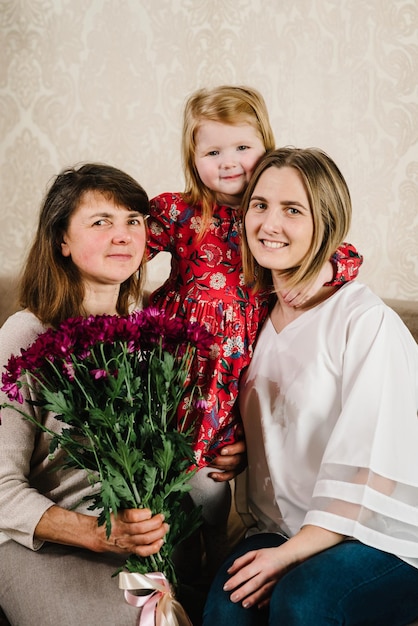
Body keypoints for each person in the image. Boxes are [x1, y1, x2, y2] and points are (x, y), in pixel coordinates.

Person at [146, 86, 363, 572]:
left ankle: (212, 572)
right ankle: (171, 582)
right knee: (170, 503)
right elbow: (124, 243)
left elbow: (342, 252)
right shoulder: (182, 213)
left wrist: (327, 273)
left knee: (215, 499)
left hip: (233, 382)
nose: (230, 163)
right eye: (213, 151)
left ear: (266, 145)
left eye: (243, 147)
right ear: (192, 157)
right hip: (178, 364)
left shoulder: (268, 217)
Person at [202, 147, 418, 625]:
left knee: (304, 602)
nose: (269, 224)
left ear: (327, 222)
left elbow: (375, 472)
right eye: (259, 205)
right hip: (281, 527)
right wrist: (230, 445)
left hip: (381, 534)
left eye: (292, 210)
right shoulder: (249, 320)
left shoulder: (365, 322)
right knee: (224, 609)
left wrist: (292, 555)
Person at [0, 164, 170, 626]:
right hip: (39, 541)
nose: (124, 236)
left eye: (134, 220)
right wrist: (96, 534)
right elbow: (1, 487)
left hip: (133, 542)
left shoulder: (152, 334)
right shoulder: (26, 335)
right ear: (63, 241)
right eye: (102, 222)